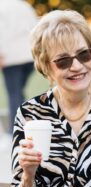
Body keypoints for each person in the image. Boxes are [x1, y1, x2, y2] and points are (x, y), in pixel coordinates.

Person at [11, 10, 91, 187]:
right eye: (63, 61)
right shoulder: (30, 113)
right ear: (46, 68)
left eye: (84, 54)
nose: (77, 66)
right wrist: (27, 177)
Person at [0, 0, 37, 133]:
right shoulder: (25, 6)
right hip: (29, 57)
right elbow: (36, 27)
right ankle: (26, 126)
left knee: (14, 94)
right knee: (18, 93)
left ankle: (15, 132)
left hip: (11, 57)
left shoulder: (2, 6)